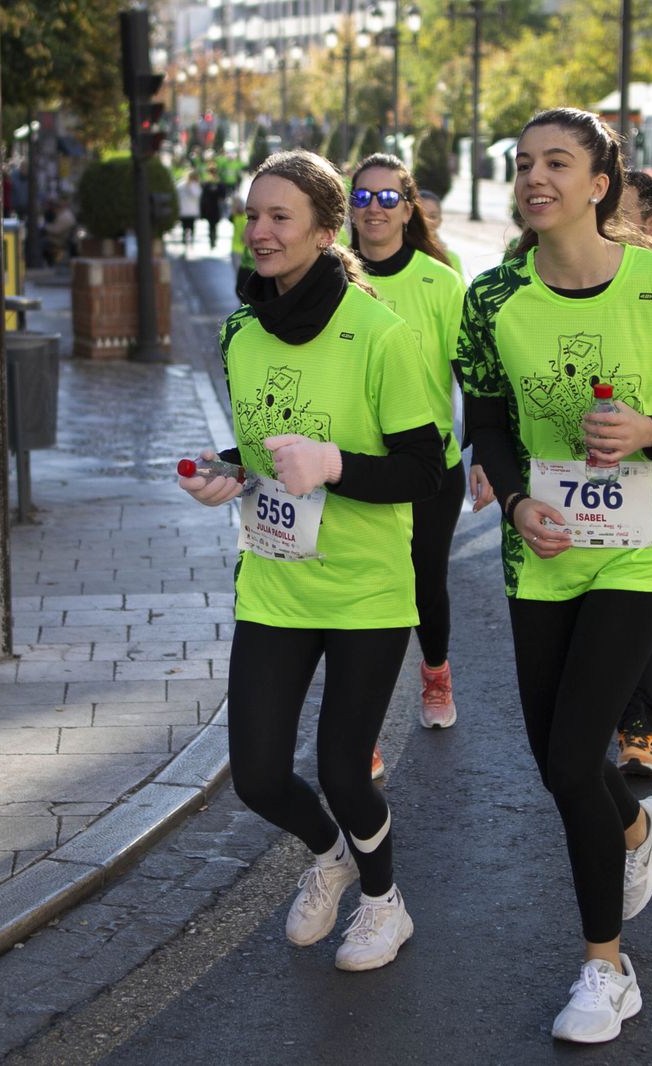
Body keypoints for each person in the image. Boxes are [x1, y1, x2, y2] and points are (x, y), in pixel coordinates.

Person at [458, 108, 652, 1043]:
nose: (534, 178)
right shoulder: (492, 298)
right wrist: (514, 502)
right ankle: (635, 827)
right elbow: (487, 421)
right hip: (540, 554)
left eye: (557, 162)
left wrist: (651, 431)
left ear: (599, 184)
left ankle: (606, 970)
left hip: (635, 552)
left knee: (570, 755)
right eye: (523, 163)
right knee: (565, 763)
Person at [178, 149, 442, 972]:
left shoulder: (380, 335)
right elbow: (263, 450)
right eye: (251, 215)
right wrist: (225, 471)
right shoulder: (240, 332)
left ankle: (383, 902)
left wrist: (333, 465)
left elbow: (424, 469)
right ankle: (330, 857)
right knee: (257, 776)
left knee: (344, 770)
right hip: (275, 581)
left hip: (364, 589)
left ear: (327, 232)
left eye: (279, 217)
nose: (259, 231)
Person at [346, 153, 470, 783]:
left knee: (424, 585)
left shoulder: (440, 282)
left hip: (429, 469)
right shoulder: (330, 276)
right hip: (354, 469)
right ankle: (363, 725)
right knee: (363, 594)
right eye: (362, 197)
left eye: (388, 197)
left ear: (408, 208)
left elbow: (472, 373)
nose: (375, 208)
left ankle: (436, 672)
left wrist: (488, 455)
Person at [613, 168, 652, 778]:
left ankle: (637, 731)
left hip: (643, 480)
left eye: (617, 210)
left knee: (643, 612)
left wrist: (651, 431)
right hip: (557, 482)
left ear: (650, 224)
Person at [414, 189, 464, 277]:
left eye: (433, 217)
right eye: (421, 216)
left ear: (440, 220)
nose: (427, 221)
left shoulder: (451, 258)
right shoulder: (398, 253)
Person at [201, 160, 225, 249]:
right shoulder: (207, 183)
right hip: (210, 207)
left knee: (213, 225)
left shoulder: (218, 183)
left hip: (215, 207)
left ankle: (213, 239)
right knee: (212, 225)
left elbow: (223, 195)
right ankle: (212, 239)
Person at [178, 171, 203, 249]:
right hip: (188, 211)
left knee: (187, 226)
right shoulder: (184, 185)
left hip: (187, 211)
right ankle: (187, 240)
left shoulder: (191, 185)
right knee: (188, 226)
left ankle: (187, 240)